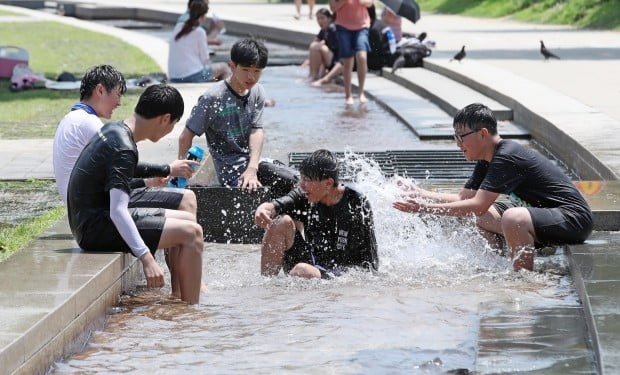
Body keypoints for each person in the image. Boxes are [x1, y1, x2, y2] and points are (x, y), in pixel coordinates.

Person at [392, 103, 593, 272]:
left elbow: (477, 204)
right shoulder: (487, 158)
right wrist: (419, 193)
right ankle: (496, 267)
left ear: (483, 133)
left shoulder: (507, 155)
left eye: (461, 136)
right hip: (543, 216)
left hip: (573, 219)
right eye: (455, 137)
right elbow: (465, 199)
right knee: (481, 215)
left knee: (513, 218)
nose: (458, 144)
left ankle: (523, 280)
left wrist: (423, 208)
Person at [67, 84, 204, 304]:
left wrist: (157, 175)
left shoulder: (115, 130)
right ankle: (189, 311)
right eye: (173, 125)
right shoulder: (124, 147)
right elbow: (118, 210)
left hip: (88, 220)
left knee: (188, 221)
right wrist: (147, 259)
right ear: (165, 118)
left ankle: (179, 296)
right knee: (192, 232)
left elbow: (122, 168)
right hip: (95, 228)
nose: (171, 130)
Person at [178, 38, 298, 196]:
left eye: (257, 71)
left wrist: (252, 168)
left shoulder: (257, 92)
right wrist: (180, 175)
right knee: (278, 187)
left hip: (256, 166)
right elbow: (185, 136)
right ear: (232, 67)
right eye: (246, 69)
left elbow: (257, 131)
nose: (251, 77)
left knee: (299, 182)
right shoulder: (213, 98)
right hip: (231, 173)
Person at [255, 149, 379, 279]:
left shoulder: (356, 204)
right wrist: (265, 208)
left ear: (328, 183)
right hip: (311, 261)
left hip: (340, 275)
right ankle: (268, 283)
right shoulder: (305, 194)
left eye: (307, 180)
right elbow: (280, 204)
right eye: (301, 178)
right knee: (281, 222)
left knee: (302, 270)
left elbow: (370, 262)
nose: (301, 185)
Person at [168, 0, 230, 83]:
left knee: (213, 71)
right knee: (224, 67)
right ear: (203, 16)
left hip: (174, 76)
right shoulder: (199, 31)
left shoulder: (179, 26)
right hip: (191, 76)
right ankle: (228, 94)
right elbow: (205, 59)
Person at [329, 0, 373, 104]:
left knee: (362, 56)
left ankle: (361, 92)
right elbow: (332, 8)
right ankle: (348, 95)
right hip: (343, 26)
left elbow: (370, 3)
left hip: (362, 25)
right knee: (348, 61)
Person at [305, 8, 339, 81]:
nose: (320, 21)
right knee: (314, 46)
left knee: (315, 47)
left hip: (337, 61)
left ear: (330, 19)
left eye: (322, 18)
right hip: (330, 58)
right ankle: (311, 75)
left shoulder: (332, 29)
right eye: (318, 19)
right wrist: (308, 60)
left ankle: (313, 76)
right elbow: (315, 41)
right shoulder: (323, 30)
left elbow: (335, 50)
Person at [367, 5, 396, 71]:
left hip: (382, 61)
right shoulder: (380, 24)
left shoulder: (374, 30)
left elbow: (375, 51)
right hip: (390, 56)